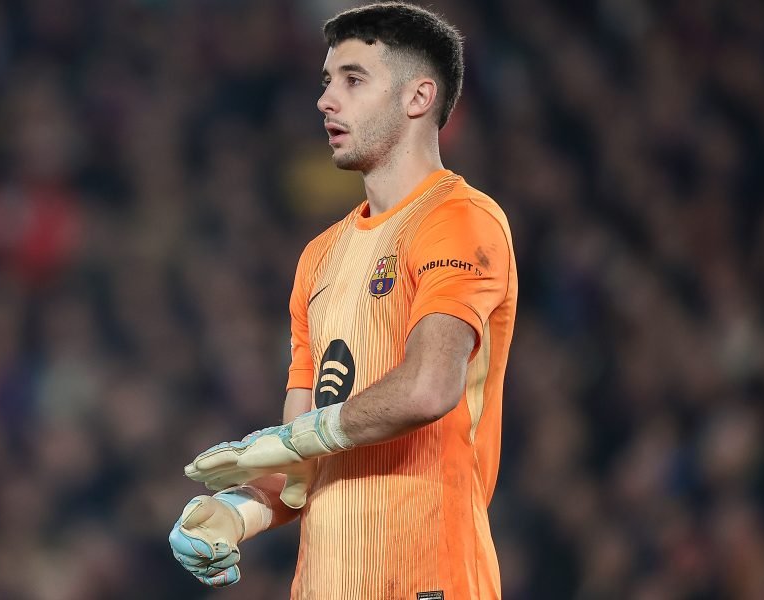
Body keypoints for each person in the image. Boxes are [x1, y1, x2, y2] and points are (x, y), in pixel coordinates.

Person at [169, 3, 518, 598]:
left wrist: (299, 438)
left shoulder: (460, 220)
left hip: (425, 579)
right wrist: (235, 512)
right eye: (327, 81)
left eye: (353, 80)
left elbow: (429, 387)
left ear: (418, 97)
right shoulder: (319, 258)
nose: (325, 100)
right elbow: (301, 457)